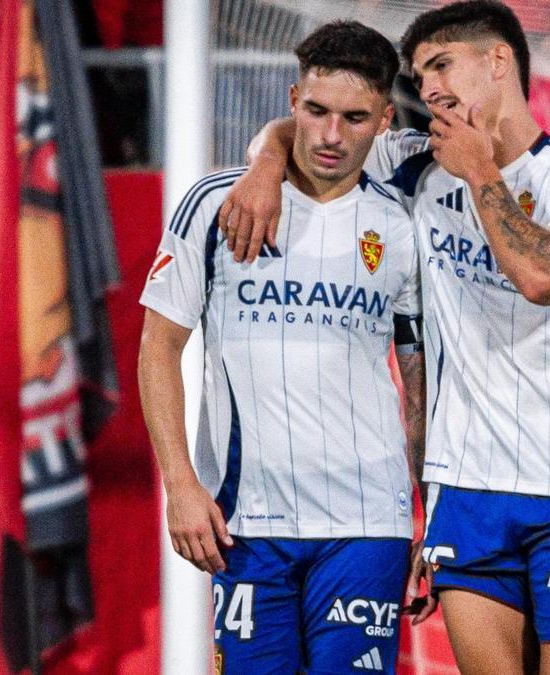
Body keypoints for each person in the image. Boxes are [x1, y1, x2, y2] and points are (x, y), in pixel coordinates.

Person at [218, 3, 550, 673]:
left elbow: (542, 274)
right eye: (421, 74)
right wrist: (266, 162)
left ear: (498, 60)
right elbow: (317, 129)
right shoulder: (416, 166)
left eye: (442, 65)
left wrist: (481, 172)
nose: (431, 87)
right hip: (465, 485)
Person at [137, 21, 426, 674]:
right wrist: (179, 482)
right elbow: (159, 347)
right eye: (317, 111)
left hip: (368, 523)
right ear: (292, 100)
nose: (330, 135)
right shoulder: (214, 205)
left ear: (384, 121)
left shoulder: (401, 223)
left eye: (354, 118)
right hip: (247, 519)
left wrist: (429, 507)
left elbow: (418, 377)